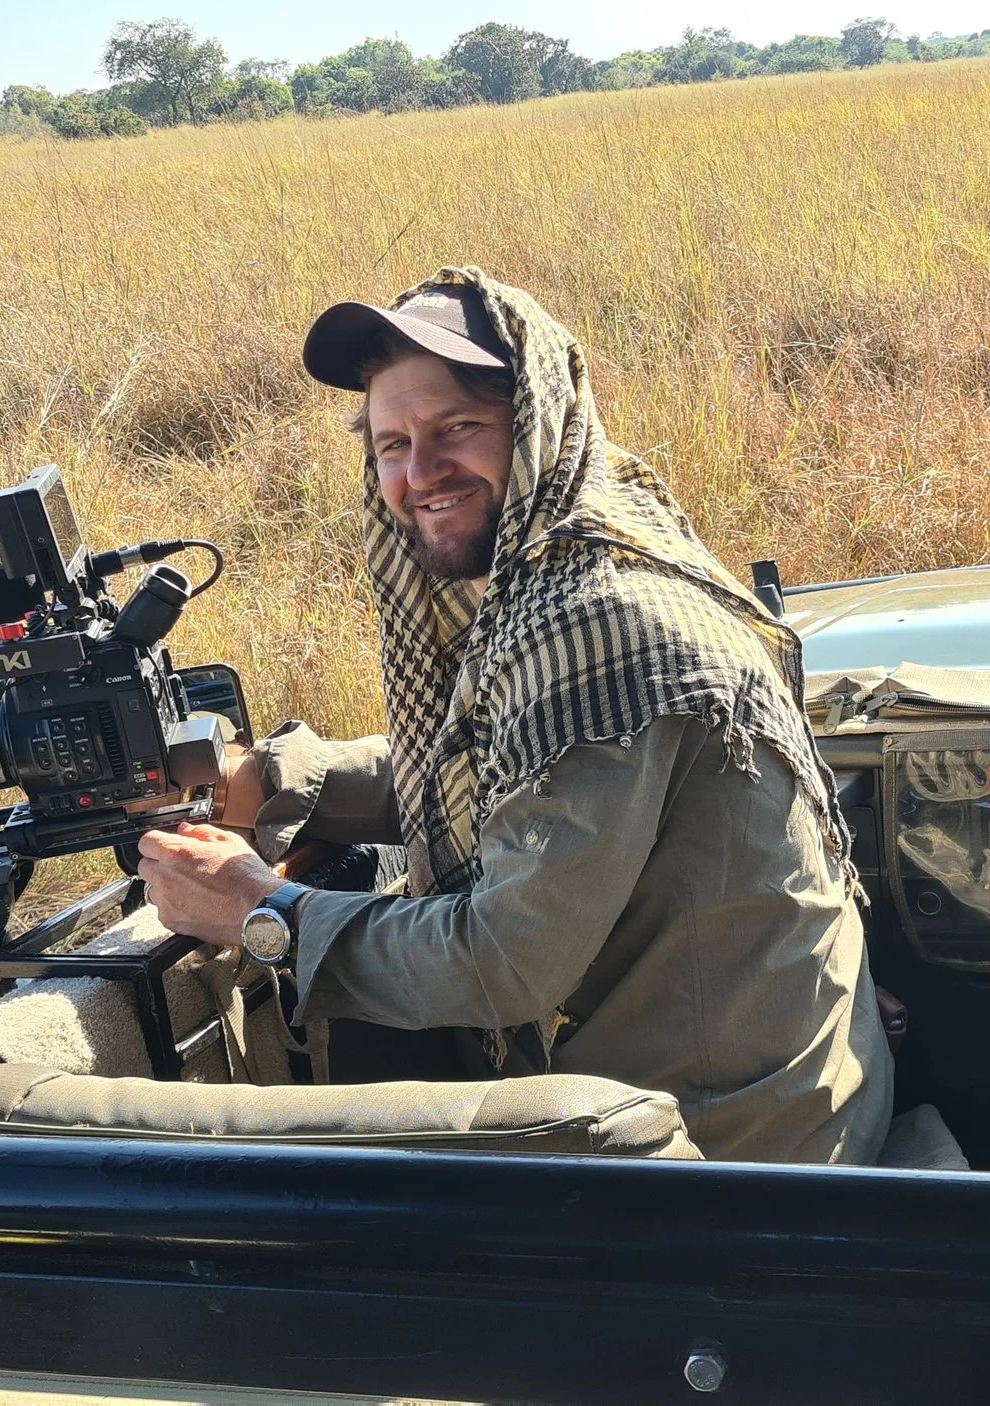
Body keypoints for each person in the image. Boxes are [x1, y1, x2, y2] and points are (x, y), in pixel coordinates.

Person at [133, 269, 891, 1165]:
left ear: (533, 426)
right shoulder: (577, 564)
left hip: (726, 1153)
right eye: (391, 444)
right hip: (761, 1082)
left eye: (457, 428)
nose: (420, 474)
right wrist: (271, 780)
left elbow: (506, 962)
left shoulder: (599, 622)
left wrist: (266, 911)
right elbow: (508, 763)